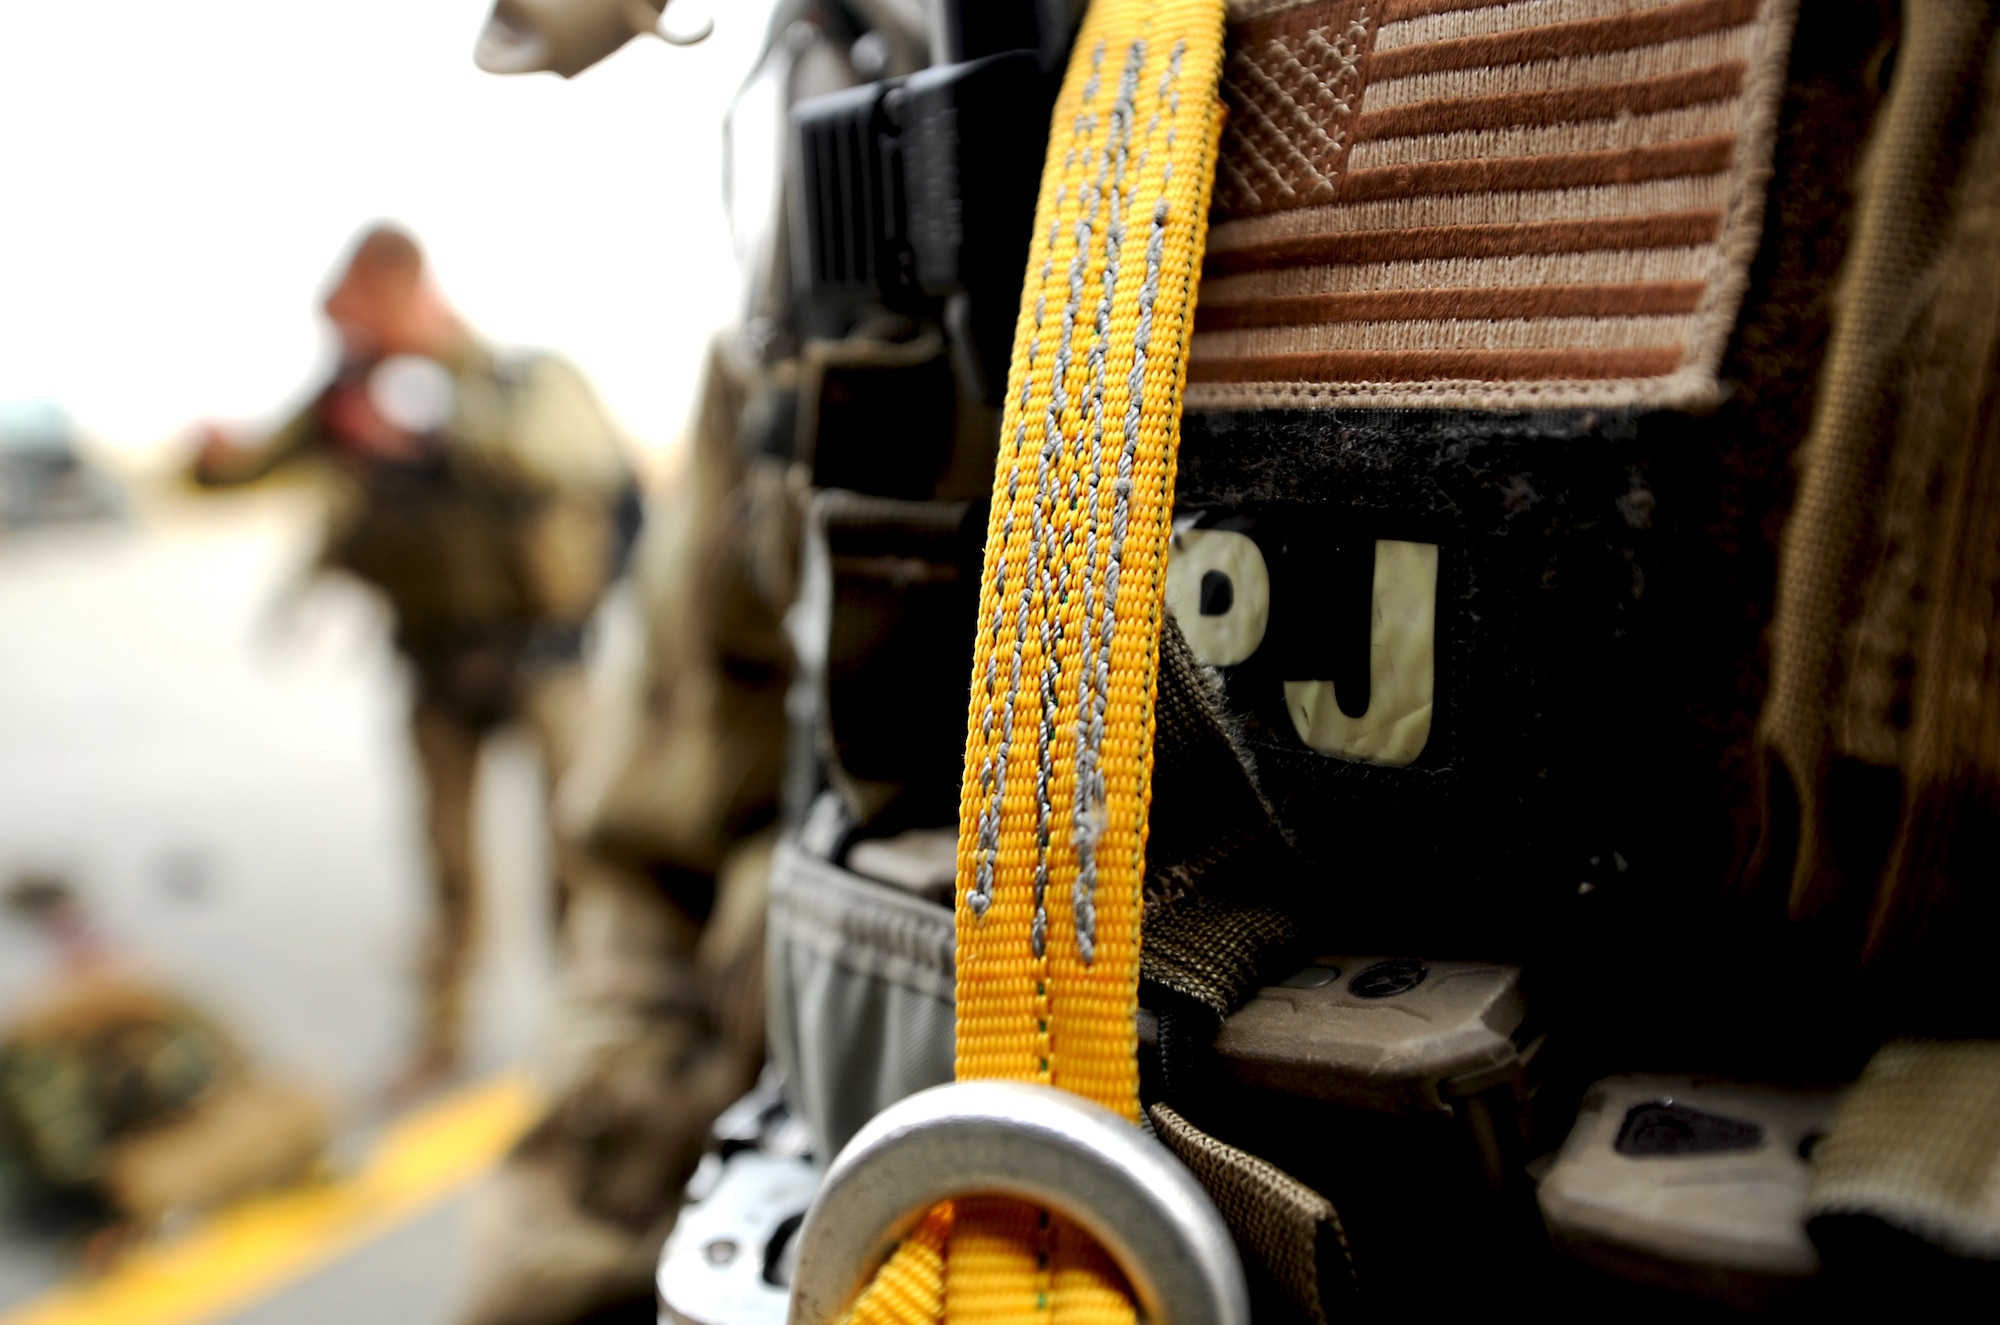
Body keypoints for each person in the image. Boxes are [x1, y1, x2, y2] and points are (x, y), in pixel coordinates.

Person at [194, 224, 636, 1088]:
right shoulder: (346, 397)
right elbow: (249, 465)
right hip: (435, 667)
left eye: (359, 318)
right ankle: (440, 1034)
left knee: (575, 860)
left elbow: (578, 464)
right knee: (445, 869)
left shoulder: (515, 384)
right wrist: (212, 459)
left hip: (542, 663)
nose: (347, 342)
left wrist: (433, 434)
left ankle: (593, 1033)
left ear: (404, 293)